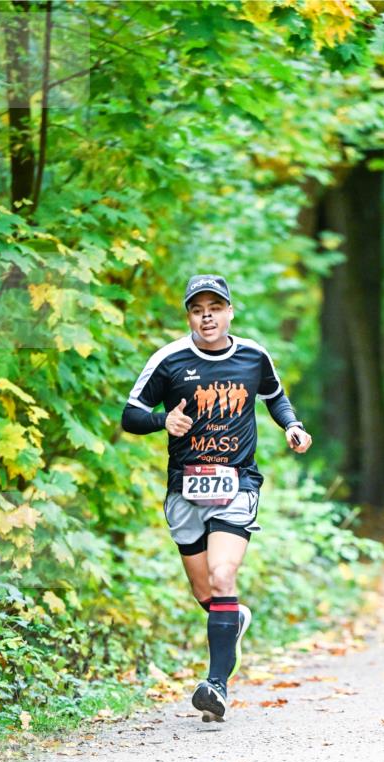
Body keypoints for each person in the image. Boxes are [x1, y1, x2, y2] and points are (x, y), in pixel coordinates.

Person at [121, 274, 312, 719]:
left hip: (236, 483)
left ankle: (216, 685)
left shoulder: (253, 356)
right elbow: (131, 414)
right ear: (190, 315)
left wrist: (292, 426)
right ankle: (233, 619)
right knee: (205, 590)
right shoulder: (169, 360)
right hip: (185, 488)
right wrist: (162, 422)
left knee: (223, 576)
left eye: (215, 306)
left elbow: (275, 396)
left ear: (229, 311)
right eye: (197, 308)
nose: (207, 315)